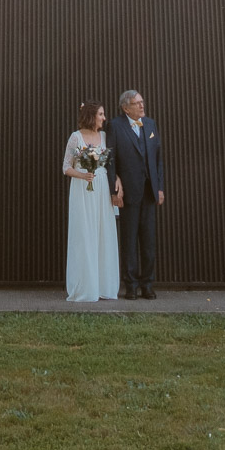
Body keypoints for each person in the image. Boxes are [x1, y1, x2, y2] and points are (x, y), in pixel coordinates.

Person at [108, 89, 164, 300]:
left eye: (142, 102)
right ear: (125, 108)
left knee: (148, 242)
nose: (142, 106)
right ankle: (130, 285)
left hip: (149, 193)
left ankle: (147, 284)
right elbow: (111, 160)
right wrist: (115, 188)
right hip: (128, 193)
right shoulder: (115, 126)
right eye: (137, 103)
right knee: (129, 241)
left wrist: (159, 188)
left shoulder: (150, 124)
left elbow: (158, 159)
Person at [62, 100, 120, 302]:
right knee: (85, 234)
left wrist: (117, 180)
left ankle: (104, 285)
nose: (104, 118)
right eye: (101, 114)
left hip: (102, 188)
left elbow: (111, 164)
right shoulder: (75, 138)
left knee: (103, 234)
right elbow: (65, 167)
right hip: (83, 189)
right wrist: (82, 175)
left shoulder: (104, 136)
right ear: (91, 116)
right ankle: (86, 286)